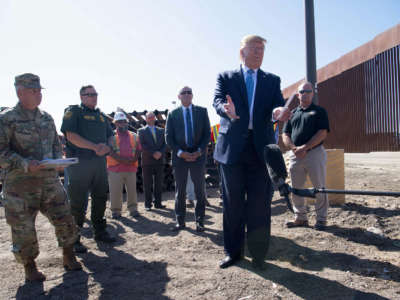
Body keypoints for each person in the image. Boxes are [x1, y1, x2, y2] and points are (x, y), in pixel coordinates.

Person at [213, 35, 291, 269]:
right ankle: (233, 253)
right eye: (254, 48)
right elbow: (217, 100)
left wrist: (278, 111)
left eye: (261, 49)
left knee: (259, 205)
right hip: (232, 151)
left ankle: (258, 255)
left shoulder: (272, 80)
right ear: (242, 52)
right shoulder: (226, 77)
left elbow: (276, 104)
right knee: (232, 204)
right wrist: (225, 109)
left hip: (260, 151)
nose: (258, 53)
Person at [0, 73, 81, 282]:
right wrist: (25, 163)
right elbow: (1, 152)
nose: (38, 95)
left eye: (39, 91)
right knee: (23, 228)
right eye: (33, 91)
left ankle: (68, 255)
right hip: (20, 185)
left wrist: (58, 161)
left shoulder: (46, 118)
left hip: (49, 181)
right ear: (20, 92)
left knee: (65, 217)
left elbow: (55, 145)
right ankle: (30, 267)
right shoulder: (6, 119)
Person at [61, 84, 115, 253]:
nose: (93, 97)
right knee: (77, 202)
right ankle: (74, 239)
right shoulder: (74, 112)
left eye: (95, 94)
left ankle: (100, 231)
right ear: (82, 96)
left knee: (100, 197)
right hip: (79, 163)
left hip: (99, 163)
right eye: (89, 94)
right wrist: (94, 147)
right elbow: (71, 136)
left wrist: (107, 147)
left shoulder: (101, 115)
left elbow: (111, 135)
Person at [282, 81, 330, 231]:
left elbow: (322, 132)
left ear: (312, 93)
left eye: (308, 91)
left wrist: (306, 147)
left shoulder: (319, 111)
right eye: (302, 92)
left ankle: (321, 219)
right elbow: (285, 134)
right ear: (297, 95)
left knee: (320, 188)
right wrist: (294, 148)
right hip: (295, 155)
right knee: (296, 188)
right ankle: (300, 218)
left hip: (314, 153)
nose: (305, 94)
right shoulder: (292, 114)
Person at [165, 86, 211, 232]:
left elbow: (206, 135)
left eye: (189, 92)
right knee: (180, 190)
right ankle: (180, 221)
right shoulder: (172, 114)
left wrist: (199, 151)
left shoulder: (202, 112)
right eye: (183, 92)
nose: (186, 94)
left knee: (199, 191)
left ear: (192, 95)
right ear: (178, 96)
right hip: (180, 158)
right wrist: (180, 153)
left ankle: (200, 221)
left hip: (198, 156)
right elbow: (168, 137)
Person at [107, 112, 141, 219]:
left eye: (124, 121)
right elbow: (110, 151)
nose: (122, 124)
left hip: (131, 168)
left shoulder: (134, 136)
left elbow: (138, 150)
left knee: (132, 190)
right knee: (115, 191)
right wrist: (123, 160)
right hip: (115, 169)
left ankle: (133, 209)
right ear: (115, 123)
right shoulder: (111, 137)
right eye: (119, 122)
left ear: (127, 122)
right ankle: (116, 211)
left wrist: (133, 159)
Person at [138, 111, 166, 211]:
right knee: (147, 183)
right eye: (149, 117)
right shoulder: (141, 131)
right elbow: (142, 145)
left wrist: (160, 153)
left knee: (158, 183)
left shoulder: (161, 131)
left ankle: (158, 203)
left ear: (155, 118)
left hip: (159, 161)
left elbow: (164, 144)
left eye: (152, 117)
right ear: (146, 119)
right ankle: (148, 204)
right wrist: (154, 153)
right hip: (147, 161)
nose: (151, 119)